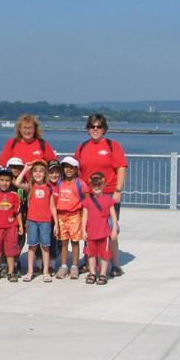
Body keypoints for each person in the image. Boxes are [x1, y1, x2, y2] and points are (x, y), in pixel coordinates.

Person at [74, 113, 128, 277]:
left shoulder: (112, 146)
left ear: (104, 129)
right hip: (88, 196)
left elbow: (121, 168)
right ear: (87, 129)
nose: (95, 129)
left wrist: (118, 191)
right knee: (89, 229)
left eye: (98, 126)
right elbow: (76, 170)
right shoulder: (82, 147)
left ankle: (115, 264)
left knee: (111, 229)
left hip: (109, 194)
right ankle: (88, 260)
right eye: (92, 126)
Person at [15, 160, 58, 282]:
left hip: (45, 222)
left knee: (45, 246)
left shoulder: (49, 188)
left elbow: (52, 207)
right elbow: (17, 183)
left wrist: (56, 223)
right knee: (32, 246)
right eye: (35, 171)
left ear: (45, 174)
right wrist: (25, 169)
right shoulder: (30, 186)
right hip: (32, 221)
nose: (38, 174)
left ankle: (45, 271)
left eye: (41, 171)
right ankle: (30, 271)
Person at [0, 168, 23, 283]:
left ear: (11, 181)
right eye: (1, 180)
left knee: (10, 250)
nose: (4, 183)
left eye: (7, 180)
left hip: (11, 227)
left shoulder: (15, 196)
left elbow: (18, 212)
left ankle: (11, 272)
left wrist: (20, 225)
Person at [81, 172, 119, 285]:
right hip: (91, 233)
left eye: (99, 185)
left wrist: (114, 230)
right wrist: (83, 230)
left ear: (104, 185)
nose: (96, 187)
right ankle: (92, 273)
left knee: (104, 255)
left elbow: (113, 216)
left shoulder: (108, 200)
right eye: (94, 185)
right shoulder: (87, 201)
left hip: (104, 233)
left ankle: (102, 274)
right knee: (91, 254)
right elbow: (84, 217)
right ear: (90, 186)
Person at [55, 156, 87, 280]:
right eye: (65, 167)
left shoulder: (80, 183)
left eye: (71, 167)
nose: (68, 170)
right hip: (61, 216)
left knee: (75, 242)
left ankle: (74, 266)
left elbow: (86, 199)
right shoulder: (60, 183)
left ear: (76, 169)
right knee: (63, 242)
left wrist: (84, 215)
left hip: (74, 215)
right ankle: (63, 266)